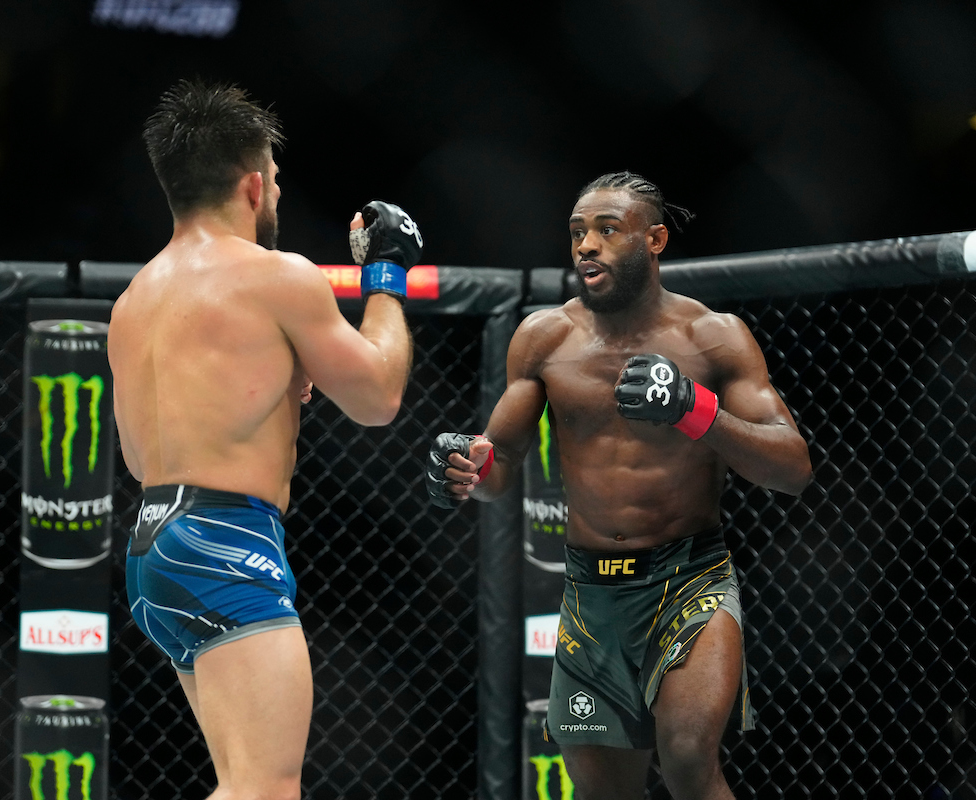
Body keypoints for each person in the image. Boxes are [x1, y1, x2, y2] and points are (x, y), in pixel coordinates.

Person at [426, 171, 812, 800]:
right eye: (578, 232)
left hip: (690, 579)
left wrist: (696, 409)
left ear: (655, 239)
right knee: (604, 790)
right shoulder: (544, 337)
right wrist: (464, 469)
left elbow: (792, 469)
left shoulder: (712, 335)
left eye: (607, 230)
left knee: (688, 758)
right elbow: (499, 471)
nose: (586, 246)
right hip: (590, 594)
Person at [108, 78, 421, 800]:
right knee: (267, 789)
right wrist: (385, 276)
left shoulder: (135, 302)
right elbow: (378, 396)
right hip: (225, 541)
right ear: (253, 186)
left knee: (241, 782)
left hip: (156, 548)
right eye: (275, 182)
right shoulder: (278, 277)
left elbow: (137, 453)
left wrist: (273, 378)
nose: (276, 195)